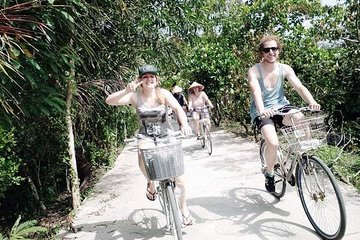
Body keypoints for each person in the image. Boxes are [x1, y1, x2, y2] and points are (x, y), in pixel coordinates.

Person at [105, 64, 193, 225]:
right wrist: (126, 90)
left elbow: (178, 109)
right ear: (140, 80)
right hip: (146, 137)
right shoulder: (135, 97)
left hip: (166, 135)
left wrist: (184, 124)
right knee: (142, 152)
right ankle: (150, 182)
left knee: (181, 181)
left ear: (156, 79)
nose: (149, 79)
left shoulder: (163, 93)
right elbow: (109, 101)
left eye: (152, 76)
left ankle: (184, 208)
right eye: (145, 77)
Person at [248, 34, 320, 193]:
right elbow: (256, 93)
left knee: (300, 117)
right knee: (273, 143)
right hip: (263, 110)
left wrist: (311, 101)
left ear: (279, 50)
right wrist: (262, 111)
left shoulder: (285, 68)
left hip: (281, 107)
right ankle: (270, 173)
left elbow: (299, 87)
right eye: (267, 49)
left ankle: (303, 157)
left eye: (274, 48)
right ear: (262, 52)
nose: (271, 52)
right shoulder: (254, 71)